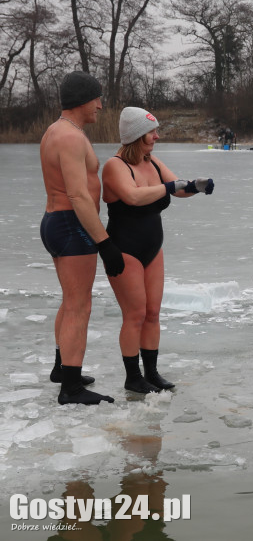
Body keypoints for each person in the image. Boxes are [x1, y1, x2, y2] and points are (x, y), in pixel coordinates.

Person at [102, 107, 215, 394]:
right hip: (124, 248)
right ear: (137, 135)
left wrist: (196, 187)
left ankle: (151, 373)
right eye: (152, 132)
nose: (157, 136)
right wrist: (171, 186)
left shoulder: (152, 162)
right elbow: (133, 196)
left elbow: (177, 189)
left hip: (153, 248)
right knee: (135, 314)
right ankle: (132, 377)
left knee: (152, 312)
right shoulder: (115, 166)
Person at [39, 71, 124, 405]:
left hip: (56, 222)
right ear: (82, 100)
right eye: (97, 98)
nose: (101, 106)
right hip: (71, 224)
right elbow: (78, 195)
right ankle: (71, 388)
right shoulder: (71, 137)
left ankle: (63, 368)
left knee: (70, 297)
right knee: (79, 304)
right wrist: (104, 242)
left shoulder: (54, 132)